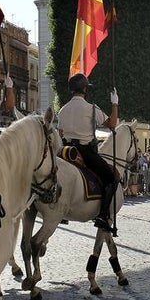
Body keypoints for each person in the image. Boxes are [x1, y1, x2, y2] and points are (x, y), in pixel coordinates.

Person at [57, 72, 119, 232]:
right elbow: (113, 123)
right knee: (111, 177)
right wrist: (115, 104)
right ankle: (103, 215)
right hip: (85, 152)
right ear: (85, 89)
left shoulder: (62, 110)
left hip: (65, 152)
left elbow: (60, 133)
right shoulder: (91, 108)